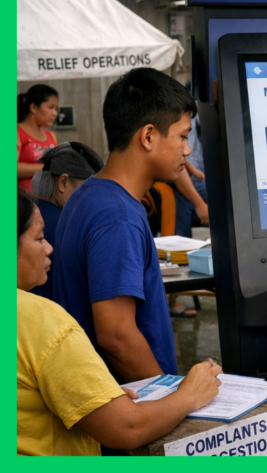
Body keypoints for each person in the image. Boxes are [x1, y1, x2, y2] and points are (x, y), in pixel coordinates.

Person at [16, 189, 223, 456]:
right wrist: (189, 395)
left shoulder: (88, 202)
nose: (49, 247)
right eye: (39, 237)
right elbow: (126, 428)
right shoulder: (41, 321)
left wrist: (95, 398)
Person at [54, 68, 197, 382]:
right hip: (131, 403)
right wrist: (171, 398)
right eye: (183, 136)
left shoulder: (88, 195)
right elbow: (117, 337)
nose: (187, 151)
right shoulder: (117, 217)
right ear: (148, 136)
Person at [29, 142, 104, 300]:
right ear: (63, 182)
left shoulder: (30, 215)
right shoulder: (68, 227)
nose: (92, 198)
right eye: (88, 188)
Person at [17, 84, 60, 191]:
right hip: (24, 203)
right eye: (50, 107)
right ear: (33, 107)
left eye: (56, 108)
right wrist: (47, 168)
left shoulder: (51, 136)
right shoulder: (16, 132)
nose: (55, 113)